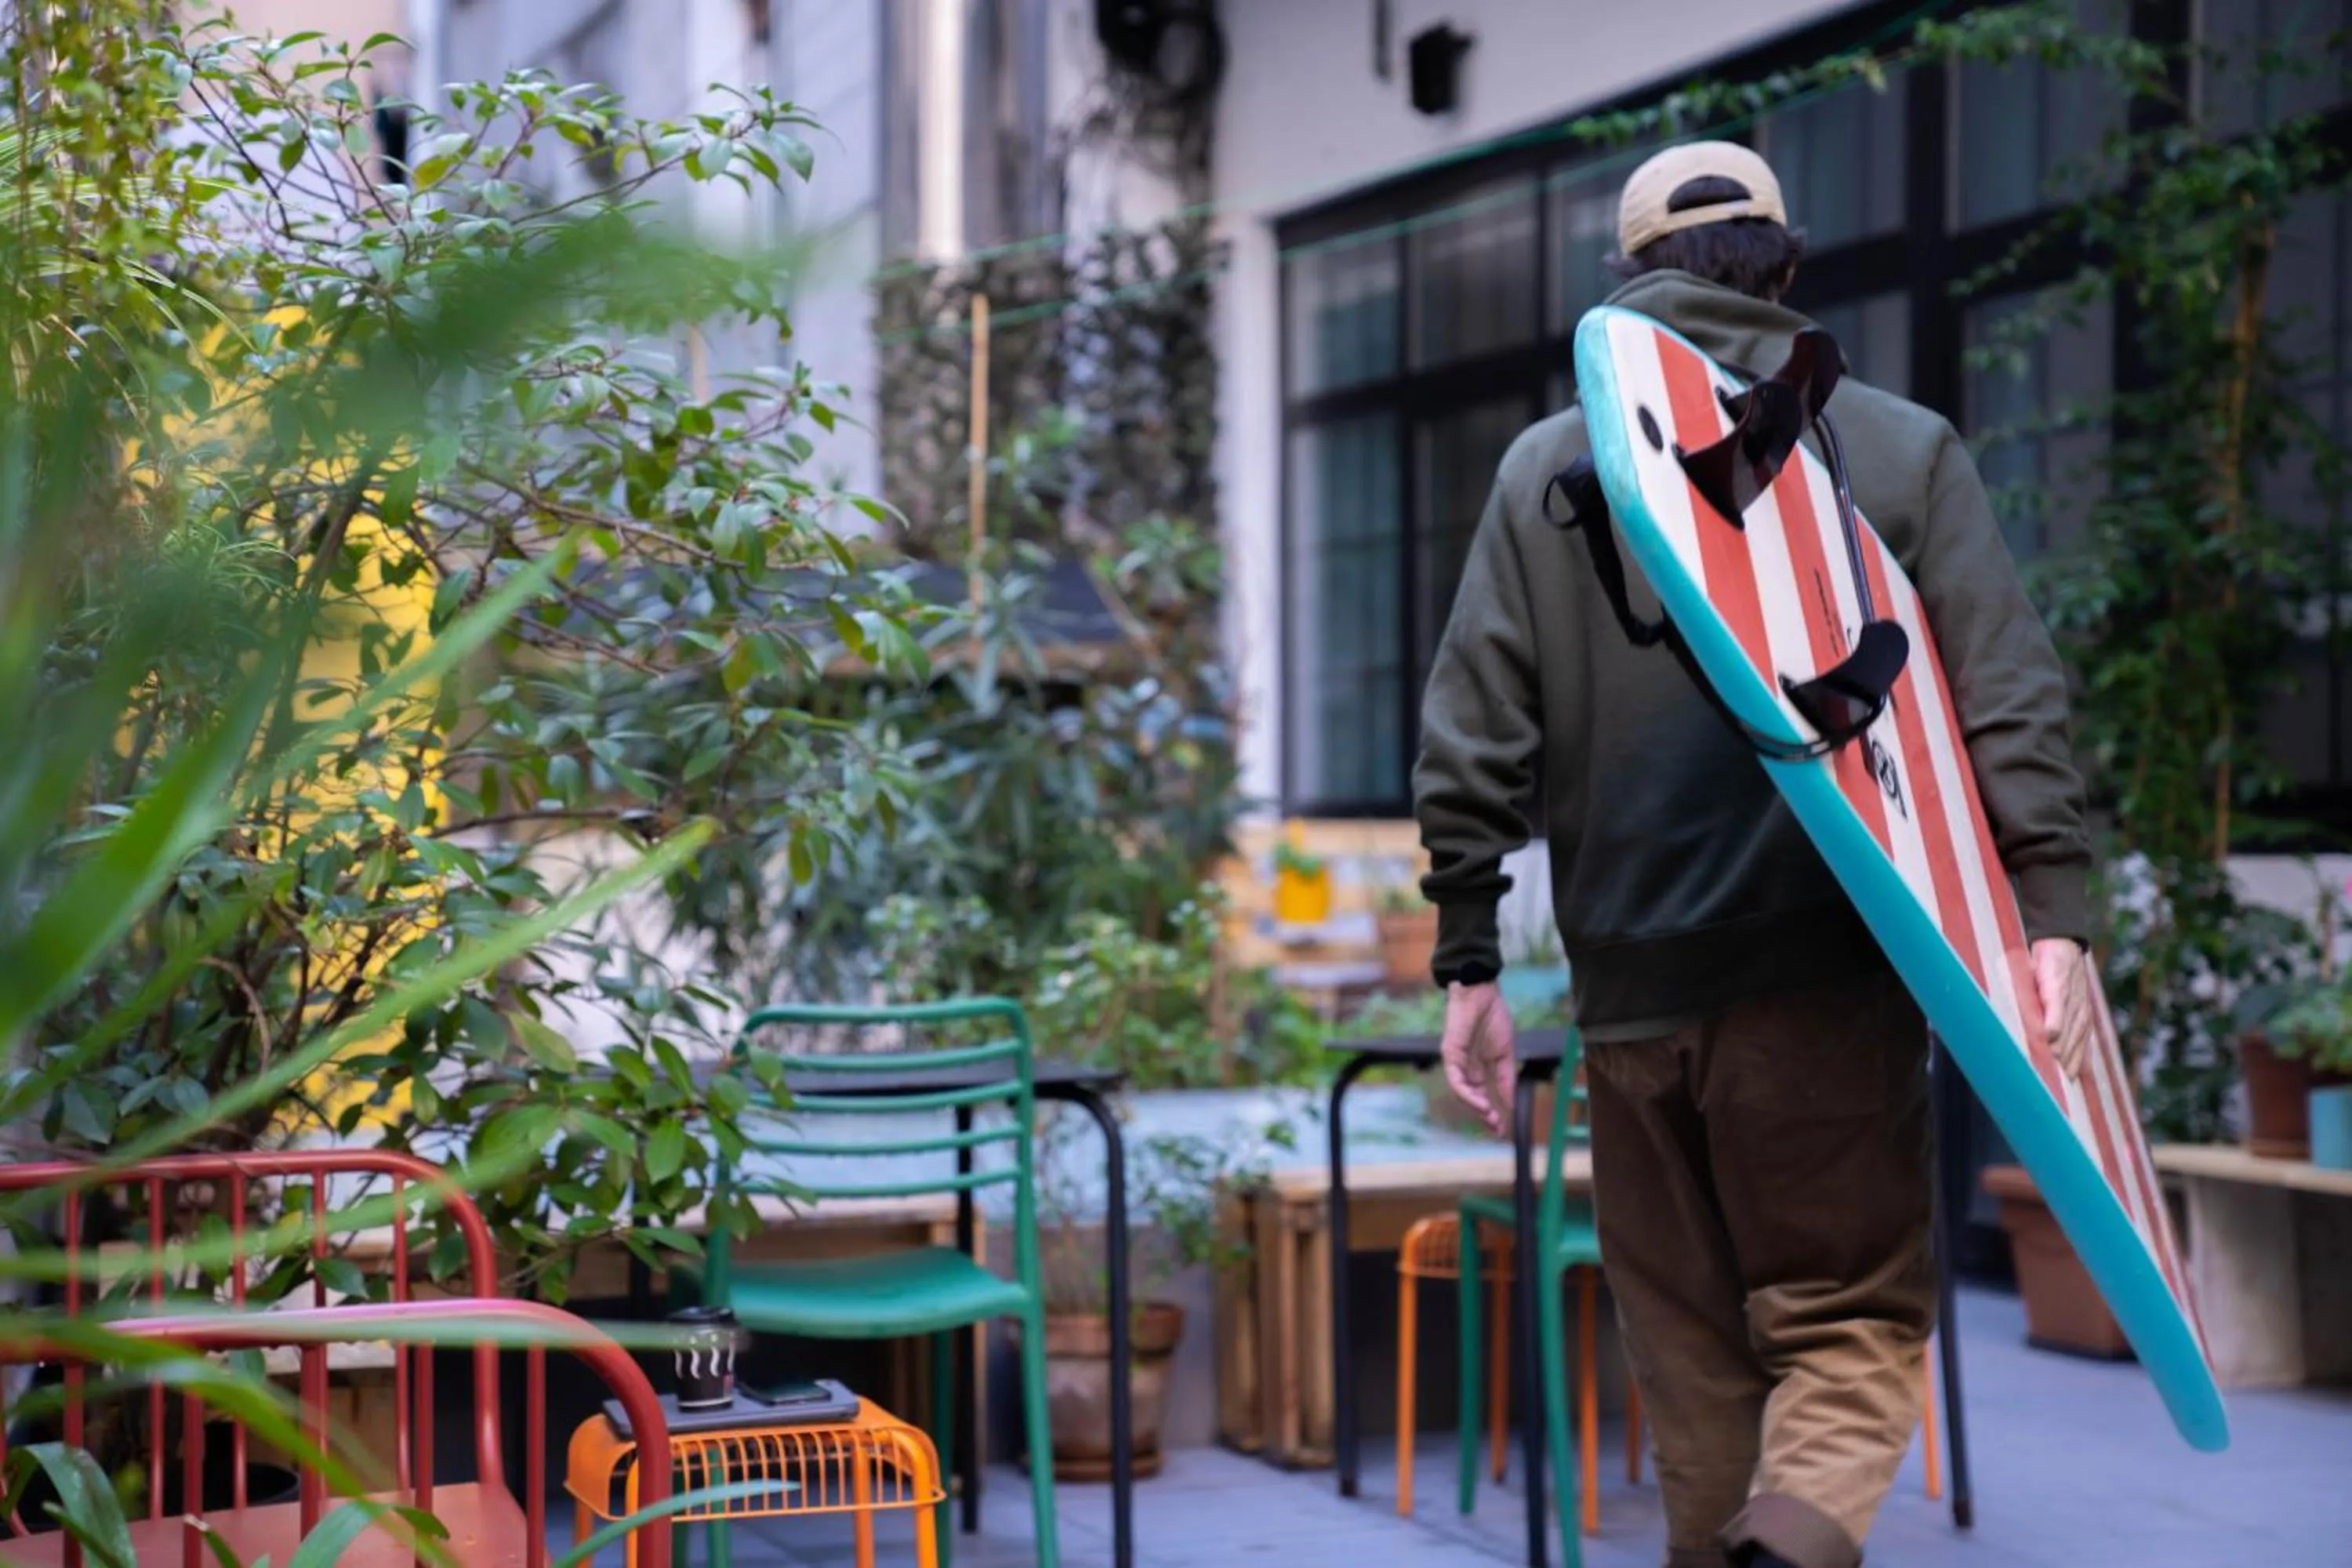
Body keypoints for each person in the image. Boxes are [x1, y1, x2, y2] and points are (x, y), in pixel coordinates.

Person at [1412, 140, 2098, 1568]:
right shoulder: (1901, 450)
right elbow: (2008, 689)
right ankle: (1787, 1550)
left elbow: (1471, 734)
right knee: (1844, 1319)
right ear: (1784, 267)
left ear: (1631, 284)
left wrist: (1469, 960)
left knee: (1693, 1356)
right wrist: (2052, 911)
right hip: (1826, 987)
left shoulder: (1551, 468)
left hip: (1630, 1003)